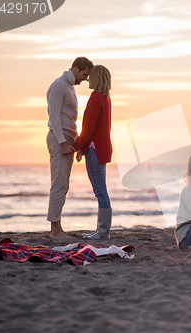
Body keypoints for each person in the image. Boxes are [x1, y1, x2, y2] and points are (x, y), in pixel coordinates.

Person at [46, 56, 93, 239]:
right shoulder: (59, 85)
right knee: (58, 184)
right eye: (84, 74)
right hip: (60, 139)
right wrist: (62, 142)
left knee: (63, 185)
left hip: (68, 139)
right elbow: (54, 116)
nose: (85, 79)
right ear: (75, 69)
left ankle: (57, 227)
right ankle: (54, 231)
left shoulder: (69, 87)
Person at [73, 65, 113, 239]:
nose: (87, 79)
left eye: (90, 77)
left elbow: (88, 129)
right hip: (100, 148)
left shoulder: (96, 98)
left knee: (100, 191)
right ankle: (102, 231)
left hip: (95, 149)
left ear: (96, 79)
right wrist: (82, 148)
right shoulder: (106, 98)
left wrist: (75, 146)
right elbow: (94, 129)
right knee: (101, 190)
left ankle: (103, 232)